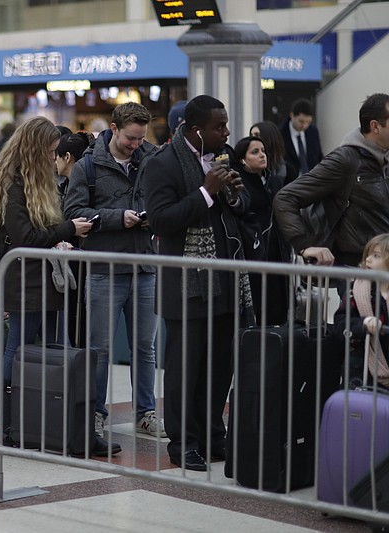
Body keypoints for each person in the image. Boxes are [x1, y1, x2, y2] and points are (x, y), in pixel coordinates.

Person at [0, 116, 113, 454]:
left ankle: (56, 422)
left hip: (41, 275)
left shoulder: (31, 179)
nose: (55, 157)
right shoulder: (14, 183)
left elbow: (37, 232)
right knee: (21, 345)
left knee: (56, 347)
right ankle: (11, 422)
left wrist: (62, 234)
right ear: (35, 149)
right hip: (26, 276)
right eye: (51, 150)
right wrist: (68, 230)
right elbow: (26, 236)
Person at [142, 95, 252, 472]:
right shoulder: (163, 163)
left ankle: (212, 435)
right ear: (195, 130)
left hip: (224, 280)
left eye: (226, 125)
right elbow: (159, 220)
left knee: (221, 365)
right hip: (186, 286)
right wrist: (206, 192)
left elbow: (245, 207)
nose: (226, 132)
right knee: (184, 369)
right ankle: (183, 443)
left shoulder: (223, 156)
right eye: (219, 127)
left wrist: (234, 195)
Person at [64, 102, 164, 445]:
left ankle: (146, 413)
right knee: (100, 348)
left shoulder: (153, 160)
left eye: (140, 139)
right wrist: (116, 218)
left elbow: (166, 201)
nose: (135, 145)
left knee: (145, 347)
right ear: (114, 128)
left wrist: (155, 216)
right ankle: (96, 413)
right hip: (105, 268)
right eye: (130, 139)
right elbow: (74, 211)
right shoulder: (88, 166)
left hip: (146, 265)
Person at [273, 93, 389, 268]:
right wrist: (304, 246)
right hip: (359, 271)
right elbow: (285, 198)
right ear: (375, 126)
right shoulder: (346, 159)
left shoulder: (384, 157)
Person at [232, 135, 291, 325]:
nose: (262, 155)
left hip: (276, 249)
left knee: (277, 304)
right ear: (242, 159)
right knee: (256, 304)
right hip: (252, 249)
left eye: (263, 151)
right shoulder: (239, 182)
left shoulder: (273, 180)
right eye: (255, 152)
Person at [333, 233, 389, 390]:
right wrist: (363, 324)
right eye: (368, 255)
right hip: (362, 370)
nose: (368, 259)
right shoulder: (355, 288)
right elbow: (340, 324)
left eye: (376, 256)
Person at [279, 98, 323, 179]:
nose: (304, 126)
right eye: (301, 121)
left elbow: (319, 156)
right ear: (292, 115)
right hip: (289, 183)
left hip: (312, 181)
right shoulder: (281, 134)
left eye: (308, 122)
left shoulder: (313, 131)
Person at [55, 132, 93, 201]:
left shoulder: (80, 190)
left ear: (67, 157)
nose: (55, 160)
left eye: (57, 155)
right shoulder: (66, 187)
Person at [249, 121, 288, 185]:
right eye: (251, 135)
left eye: (257, 135)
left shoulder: (287, 170)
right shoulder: (249, 166)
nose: (253, 139)